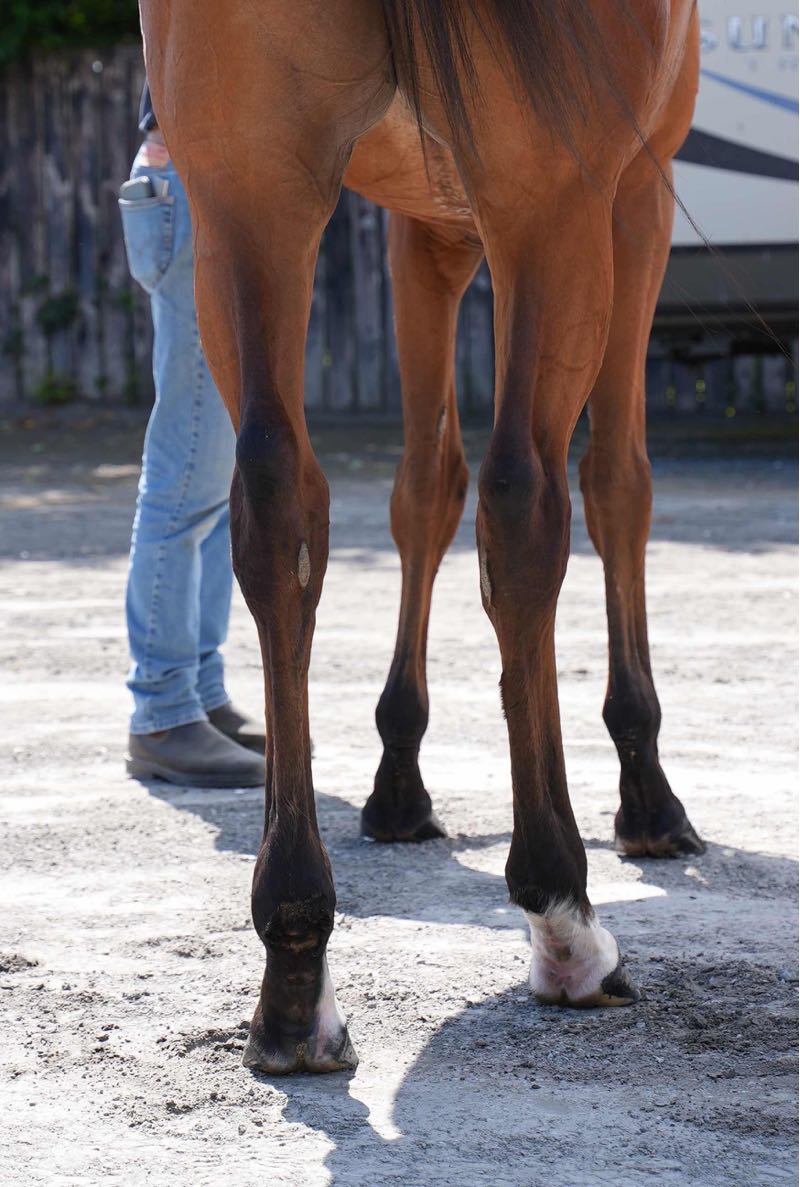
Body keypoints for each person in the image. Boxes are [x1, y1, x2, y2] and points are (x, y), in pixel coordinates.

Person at [118, 83, 266, 788]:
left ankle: (199, 691)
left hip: (198, 178)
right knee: (187, 479)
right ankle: (162, 710)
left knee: (212, 481)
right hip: (196, 182)